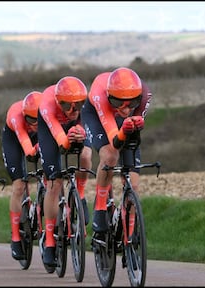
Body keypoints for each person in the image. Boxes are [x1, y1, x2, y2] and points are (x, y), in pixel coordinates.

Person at [81, 67, 152, 237]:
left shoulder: (144, 95)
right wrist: (124, 130)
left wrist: (132, 125)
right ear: (110, 97)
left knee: (133, 184)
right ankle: (99, 207)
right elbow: (115, 139)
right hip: (97, 116)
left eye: (131, 104)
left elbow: (132, 133)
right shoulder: (100, 94)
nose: (126, 109)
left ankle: (131, 229)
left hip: (123, 124)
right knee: (110, 156)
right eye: (119, 103)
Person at [37, 76, 93, 266]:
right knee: (54, 183)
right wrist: (68, 139)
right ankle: (50, 240)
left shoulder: (82, 106)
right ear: (58, 101)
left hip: (73, 127)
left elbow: (86, 126)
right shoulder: (47, 104)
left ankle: (81, 194)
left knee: (85, 155)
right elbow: (60, 140)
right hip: (51, 130)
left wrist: (81, 133)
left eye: (77, 106)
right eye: (67, 106)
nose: (72, 111)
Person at [2, 91, 43, 260]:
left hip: (38, 137)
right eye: (31, 120)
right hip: (15, 139)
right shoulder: (16, 116)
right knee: (19, 185)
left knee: (52, 177)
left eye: (38, 121)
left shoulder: (43, 118)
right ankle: (15, 237)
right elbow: (28, 149)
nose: (34, 124)